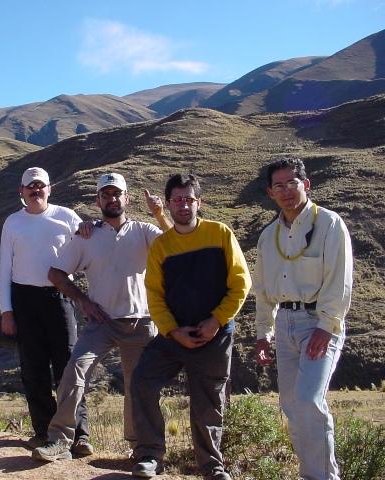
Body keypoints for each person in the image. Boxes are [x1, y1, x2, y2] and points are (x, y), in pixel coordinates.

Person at [32, 172, 172, 462]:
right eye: (106, 195)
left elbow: (176, 244)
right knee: (75, 370)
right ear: (98, 201)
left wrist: (160, 214)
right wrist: (83, 300)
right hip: (101, 323)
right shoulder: (87, 236)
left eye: (117, 193)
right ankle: (60, 440)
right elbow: (55, 273)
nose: (112, 199)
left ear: (127, 198)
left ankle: (141, 448)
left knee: (140, 385)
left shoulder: (144, 231)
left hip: (141, 322)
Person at [130, 173, 251, 479]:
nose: (183, 206)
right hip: (174, 334)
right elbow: (154, 294)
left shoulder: (220, 234)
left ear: (200, 202)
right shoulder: (162, 246)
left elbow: (240, 284)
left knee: (208, 401)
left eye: (189, 199)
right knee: (142, 380)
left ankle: (211, 466)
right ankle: (149, 456)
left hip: (216, 333)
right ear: (168, 203)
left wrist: (216, 321)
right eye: (177, 200)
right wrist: (172, 331)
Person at [254, 158, 352, 480]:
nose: (286, 191)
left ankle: (324, 477)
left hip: (319, 322)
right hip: (285, 325)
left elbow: (339, 281)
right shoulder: (269, 237)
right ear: (270, 192)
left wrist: (326, 326)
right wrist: (262, 334)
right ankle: (311, 473)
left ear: (305, 185)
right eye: (278, 186)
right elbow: (264, 290)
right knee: (292, 407)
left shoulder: (330, 224)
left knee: (309, 400)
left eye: (292, 183)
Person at [0, 166, 90, 451]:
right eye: (30, 187)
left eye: (40, 186)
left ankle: (80, 434)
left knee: (68, 367)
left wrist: (90, 227)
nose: (35, 191)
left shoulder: (67, 217)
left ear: (50, 189)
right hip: (24, 300)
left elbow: (89, 247)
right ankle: (44, 431)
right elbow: (4, 270)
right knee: (33, 369)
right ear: (21, 192)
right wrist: (6, 311)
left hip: (59, 298)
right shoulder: (12, 222)